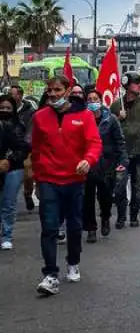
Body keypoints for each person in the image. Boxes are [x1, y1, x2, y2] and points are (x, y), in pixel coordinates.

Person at [31, 75, 102, 296]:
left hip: (74, 180)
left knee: (74, 226)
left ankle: (73, 262)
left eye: (57, 90)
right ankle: (50, 274)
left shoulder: (85, 115)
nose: (53, 94)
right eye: (50, 90)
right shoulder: (40, 117)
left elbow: (94, 143)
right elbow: (36, 149)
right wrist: (36, 177)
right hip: (48, 180)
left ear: (68, 90)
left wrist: (87, 160)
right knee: (50, 228)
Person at [82, 88, 128, 243]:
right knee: (87, 199)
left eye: (95, 99)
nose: (92, 102)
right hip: (87, 165)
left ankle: (105, 218)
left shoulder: (111, 119)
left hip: (106, 165)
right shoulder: (81, 119)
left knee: (106, 198)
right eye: (89, 99)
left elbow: (119, 142)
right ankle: (91, 229)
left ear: (100, 101)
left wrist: (122, 161)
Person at [111, 72, 140, 229]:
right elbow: (109, 127)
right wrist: (118, 118)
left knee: (138, 187)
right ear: (127, 85)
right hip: (121, 153)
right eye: (137, 83)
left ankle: (134, 216)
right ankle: (121, 217)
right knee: (120, 186)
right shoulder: (116, 105)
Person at [0, 94, 31, 250]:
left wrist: (9, 160)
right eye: (2, 108)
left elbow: (24, 147)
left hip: (13, 168)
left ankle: (6, 235)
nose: (4, 110)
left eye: (8, 108)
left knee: (9, 203)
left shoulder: (18, 125)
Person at [10, 85, 36, 212]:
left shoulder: (29, 111)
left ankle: (27, 194)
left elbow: (30, 130)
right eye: (10, 94)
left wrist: (26, 145)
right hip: (9, 148)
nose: (12, 96)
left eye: (14, 94)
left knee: (28, 175)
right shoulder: (6, 109)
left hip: (25, 147)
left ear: (20, 95)